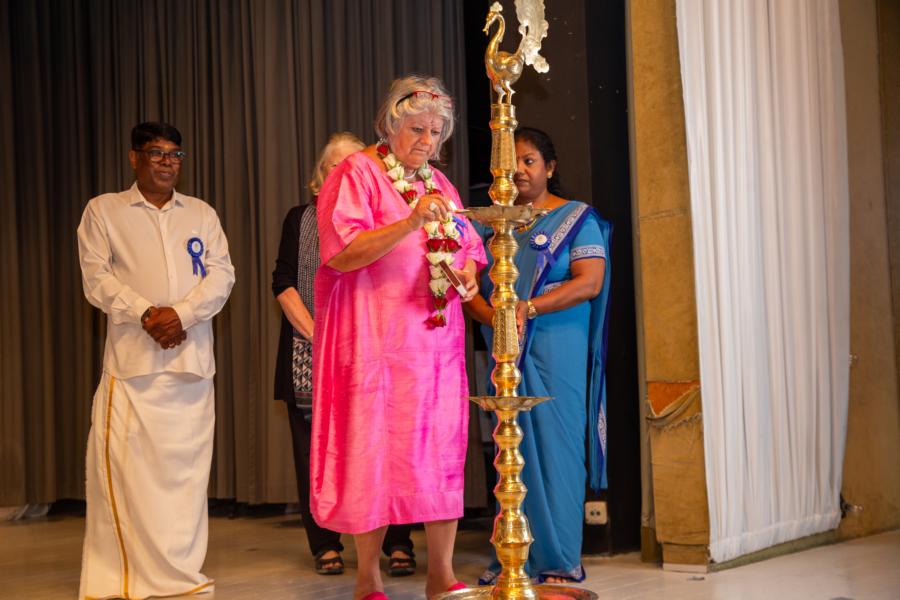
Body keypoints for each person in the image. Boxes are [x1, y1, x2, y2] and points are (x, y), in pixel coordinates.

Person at [311, 75, 486, 600]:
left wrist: (469, 276)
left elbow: (467, 250)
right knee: (372, 453)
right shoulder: (357, 172)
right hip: (374, 344)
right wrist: (409, 223)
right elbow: (343, 253)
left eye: (435, 132)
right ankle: (369, 578)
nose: (427, 142)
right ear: (389, 126)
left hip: (434, 346)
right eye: (416, 129)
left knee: (439, 452)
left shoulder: (441, 184)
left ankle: (441, 575)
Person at [76, 121, 235, 599]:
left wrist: (180, 314)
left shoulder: (201, 213)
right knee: (130, 482)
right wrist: (146, 313)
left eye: (175, 155)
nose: (167, 162)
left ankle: (179, 579)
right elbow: (97, 280)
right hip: (133, 369)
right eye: (157, 153)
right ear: (134, 158)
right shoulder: (104, 210)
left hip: (191, 367)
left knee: (185, 483)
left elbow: (222, 276)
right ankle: (122, 582)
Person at [464, 127, 612, 584]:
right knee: (513, 447)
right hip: (507, 352)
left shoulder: (576, 218)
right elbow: (469, 290)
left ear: (549, 167)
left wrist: (527, 308)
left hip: (558, 346)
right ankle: (514, 557)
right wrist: (496, 319)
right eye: (511, 165)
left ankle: (560, 560)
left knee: (557, 447)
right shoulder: (490, 224)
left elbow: (589, 282)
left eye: (529, 161)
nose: (519, 172)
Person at [271, 132, 418, 578]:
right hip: (310, 349)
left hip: (377, 353)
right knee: (314, 454)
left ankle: (398, 541)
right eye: (336, 166)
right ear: (319, 180)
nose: (348, 173)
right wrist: (322, 337)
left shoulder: (388, 219)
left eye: (357, 164)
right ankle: (325, 544)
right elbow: (283, 282)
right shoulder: (300, 219)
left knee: (386, 445)